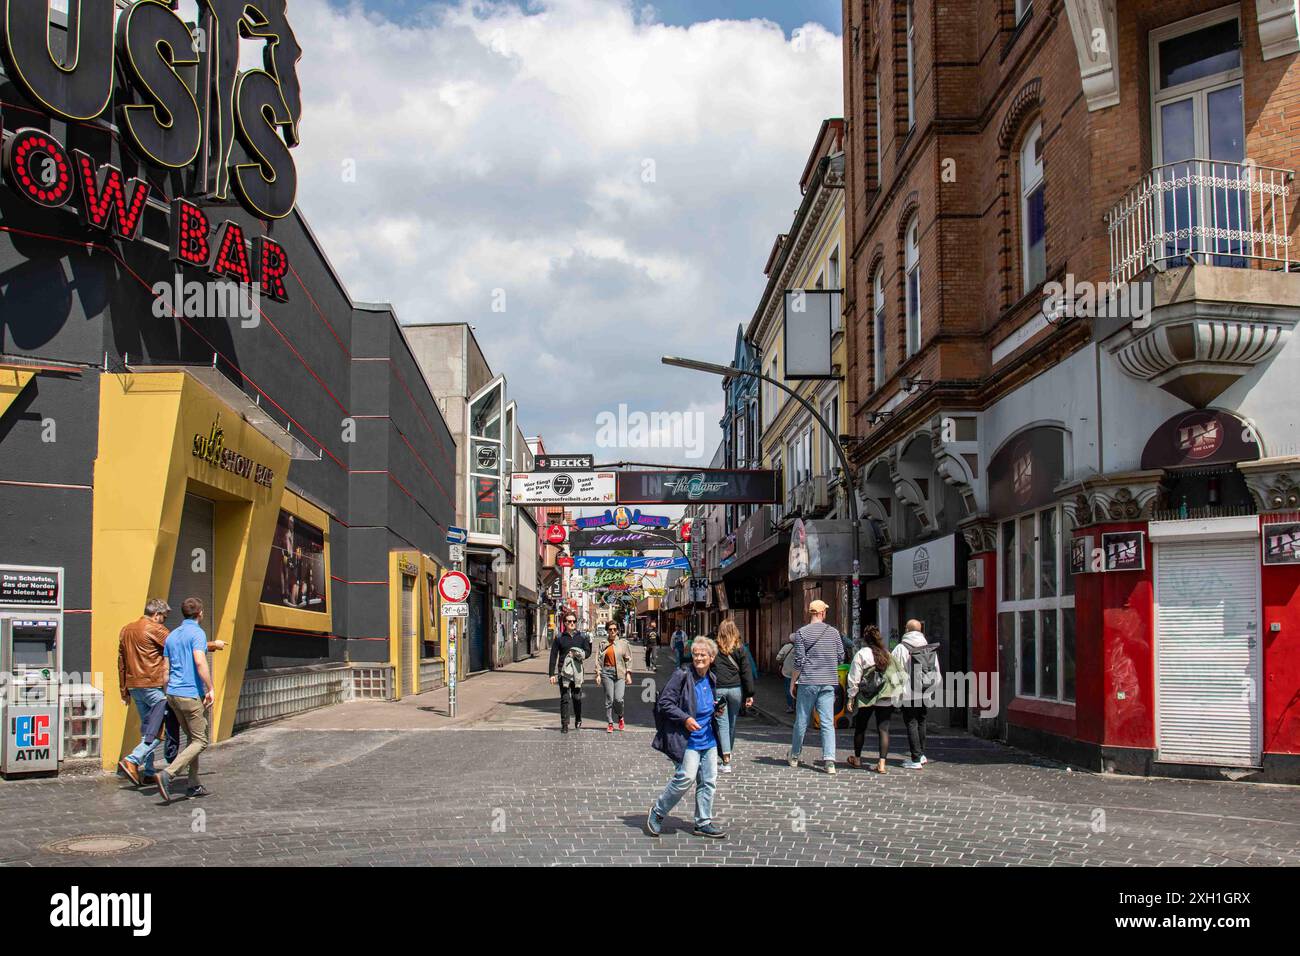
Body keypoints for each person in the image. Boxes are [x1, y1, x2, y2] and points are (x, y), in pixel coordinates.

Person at [647, 637, 726, 839]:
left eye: (703, 654)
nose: (698, 658)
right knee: (686, 777)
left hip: (707, 738)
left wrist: (715, 711)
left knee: (708, 781)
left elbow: (706, 703)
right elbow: (664, 703)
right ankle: (658, 811)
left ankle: (703, 822)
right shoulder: (681, 674)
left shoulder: (711, 677)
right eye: (695, 654)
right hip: (687, 738)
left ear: (712, 657)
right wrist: (685, 719)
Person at [156, 598, 215, 803]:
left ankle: (193, 784)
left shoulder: (172, 636)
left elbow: (165, 669)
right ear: (200, 613)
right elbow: (200, 661)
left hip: (173, 694)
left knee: (192, 738)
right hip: (191, 695)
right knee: (201, 740)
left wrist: (167, 692)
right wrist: (211, 688)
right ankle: (168, 774)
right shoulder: (197, 633)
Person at [787, 599, 844, 774]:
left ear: (811, 613)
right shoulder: (834, 633)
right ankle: (829, 761)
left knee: (802, 720)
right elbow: (841, 656)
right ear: (822, 613)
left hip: (808, 681)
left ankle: (795, 756)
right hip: (828, 681)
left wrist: (792, 682)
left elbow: (799, 661)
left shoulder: (801, 633)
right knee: (827, 722)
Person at [845, 625, 905, 773]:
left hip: (866, 697)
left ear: (865, 639)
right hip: (885, 696)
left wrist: (850, 697)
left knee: (860, 728)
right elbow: (900, 675)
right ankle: (882, 763)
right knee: (883, 729)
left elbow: (854, 678)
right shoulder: (888, 654)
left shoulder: (861, 654)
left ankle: (857, 759)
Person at [894, 619, 942, 769]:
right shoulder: (928, 648)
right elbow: (936, 670)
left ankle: (915, 759)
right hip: (925, 691)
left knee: (911, 723)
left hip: (909, 693)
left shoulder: (900, 648)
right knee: (922, 721)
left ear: (907, 630)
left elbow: (894, 671)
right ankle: (921, 755)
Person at [709, 620, 753, 774]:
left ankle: (725, 758)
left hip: (719, 689)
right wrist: (749, 694)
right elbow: (746, 671)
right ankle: (727, 753)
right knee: (732, 723)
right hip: (736, 690)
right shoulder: (740, 648)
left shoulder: (714, 647)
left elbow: (708, 668)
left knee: (722, 723)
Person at [548, 612, 592, 733]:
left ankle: (578, 717)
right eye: (569, 621)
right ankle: (565, 724)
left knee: (577, 697)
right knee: (565, 698)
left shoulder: (582, 637)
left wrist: (579, 654)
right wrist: (551, 674)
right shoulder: (559, 638)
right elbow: (553, 656)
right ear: (565, 623)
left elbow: (588, 652)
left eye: (573, 621)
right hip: (563, 672)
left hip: (577, 672)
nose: (572, 623)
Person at [595, 621, 633, 732]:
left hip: (620, 673)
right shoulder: (603, 643)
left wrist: (628, 674)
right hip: (606, 673)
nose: (612, 631)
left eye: (614, 629)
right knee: (609, 699)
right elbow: (598, 659)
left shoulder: (623, 643)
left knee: (618, 699)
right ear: (607, 630)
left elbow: (628, 659)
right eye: (610, 629)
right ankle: (610, 722)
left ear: (617, 630)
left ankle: (620, 716)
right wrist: (598, 673)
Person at [775, 635, 797, 713]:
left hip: (788, 672)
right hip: (799, 673)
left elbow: (778, 658)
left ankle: (790, 706)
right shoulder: (802, 647)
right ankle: (798, 707)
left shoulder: (787, 646)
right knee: (799, 690)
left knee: (788, 689)